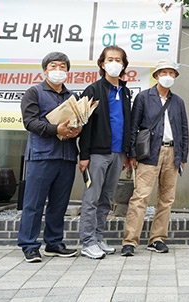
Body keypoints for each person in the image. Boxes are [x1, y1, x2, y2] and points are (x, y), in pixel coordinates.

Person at [18, 52, 82, 263]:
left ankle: (54, 243)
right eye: (54, 66)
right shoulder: (34, 92)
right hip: (41, 156)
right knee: (33, 203)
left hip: (66, 156)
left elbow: (78, 121)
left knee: (59, 203)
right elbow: (30, 122)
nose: (58, 70)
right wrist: (56, 129)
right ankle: (29, 245)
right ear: (45, 70)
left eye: (63, 67)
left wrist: (76, 129)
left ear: (68, 72)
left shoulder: (72, 97)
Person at [121, 59, 189, 257]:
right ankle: (130, 241)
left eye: (171, 73)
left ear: (175, 77)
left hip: (172, 153)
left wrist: (182, 155)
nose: (167, 76)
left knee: (166, 199)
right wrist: (132, 153)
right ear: (156, 75)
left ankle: (157, 238)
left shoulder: (178, 102)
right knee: (140, 197)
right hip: (149, 153)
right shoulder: (143, 97)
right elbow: (134, 127)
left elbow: (184, 131)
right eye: (163, 72)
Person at [78, 45, 132, 260]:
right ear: (102, 63)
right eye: (110, 59)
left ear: (124, 65)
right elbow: (85, 125)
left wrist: (127, 152)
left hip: (118, 154)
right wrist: (84, 155)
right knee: (91, 198)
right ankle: (87, 242)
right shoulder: (93, 90)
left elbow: (127, 124)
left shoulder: (125, 91)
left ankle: (98, 237)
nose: (115, 63)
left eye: (119, 60)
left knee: (106, 198)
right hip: (97, 154)